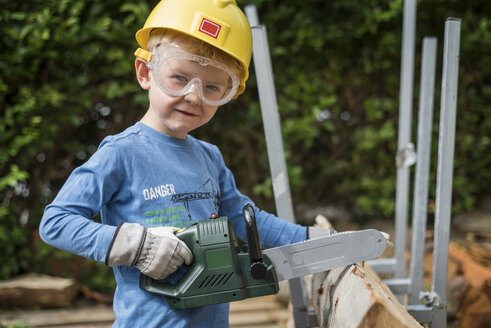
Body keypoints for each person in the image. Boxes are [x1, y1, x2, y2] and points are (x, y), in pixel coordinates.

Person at [39, 0, 328, 326]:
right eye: (179, 77)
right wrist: (135, 246)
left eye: (213, 87)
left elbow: (246, 219)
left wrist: (314, 238)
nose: (194, 95)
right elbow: (56, 222)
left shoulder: (210, 157)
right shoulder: (121, 153)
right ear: (146, 73)